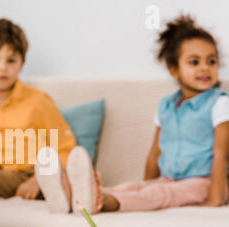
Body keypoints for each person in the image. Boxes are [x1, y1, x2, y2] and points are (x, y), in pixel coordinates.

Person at [39, 14, 229, 214]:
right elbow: (155, 153)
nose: (205, 68)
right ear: (174, 70)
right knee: (132, 188)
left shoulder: (219, 103)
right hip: (169, 179)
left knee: (160, 195)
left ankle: (99, 202)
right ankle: (69, 195)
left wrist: (214, 199)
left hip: (204, 182)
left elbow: (221, 154)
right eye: (194, 62)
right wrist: (147, 184)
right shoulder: (166, 105)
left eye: (211, 61)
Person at [0, 18, 77, 211]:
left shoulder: (39, 102)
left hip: (30, 174)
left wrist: (37, 180)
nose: (2, 67)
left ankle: (67, 190)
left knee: (61, 175)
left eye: (11, 60)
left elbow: (65, 149)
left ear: (22, 63)